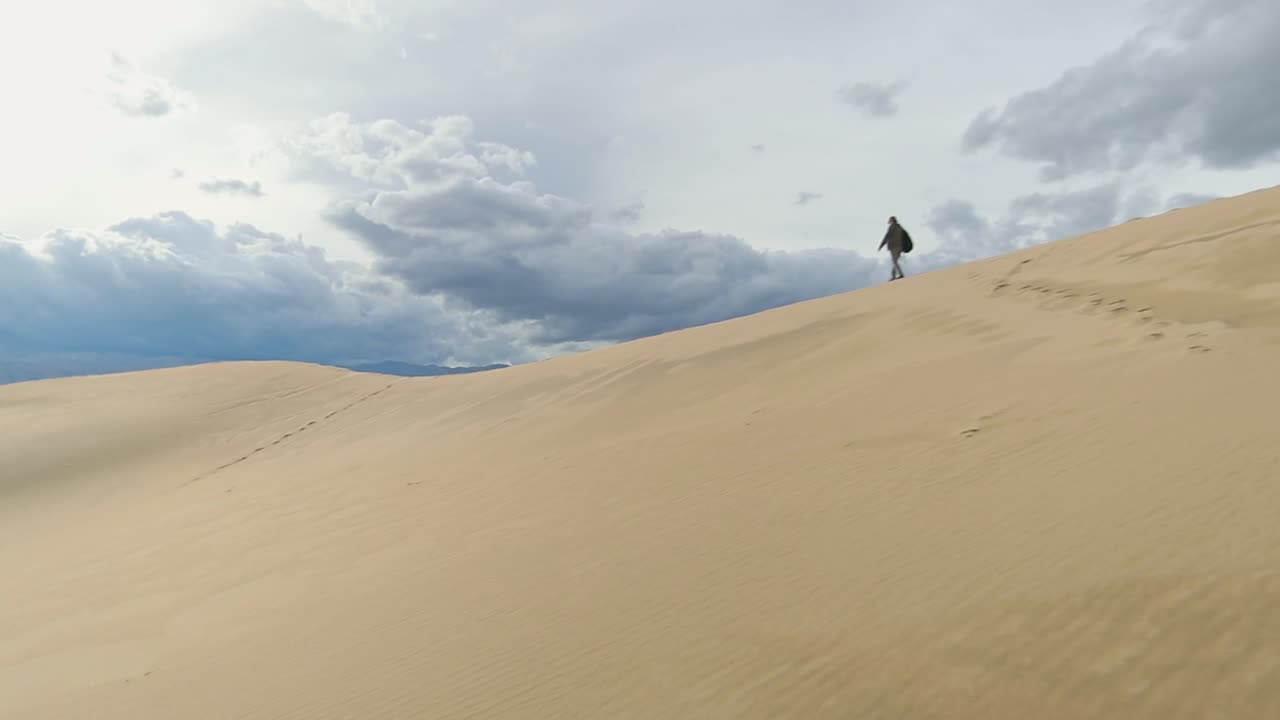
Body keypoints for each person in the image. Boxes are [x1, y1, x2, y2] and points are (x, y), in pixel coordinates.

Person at [878, 215, 911, 281]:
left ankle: (901, 274)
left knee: (894, 262)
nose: (889, 221)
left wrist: (881, 245)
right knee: (894, 262)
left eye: (889, 220)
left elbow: (887, 236)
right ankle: (893, 276)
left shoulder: (892, 227)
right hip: (900, 247)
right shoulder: (900, 227)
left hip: (894, 247)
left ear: (892, 221)